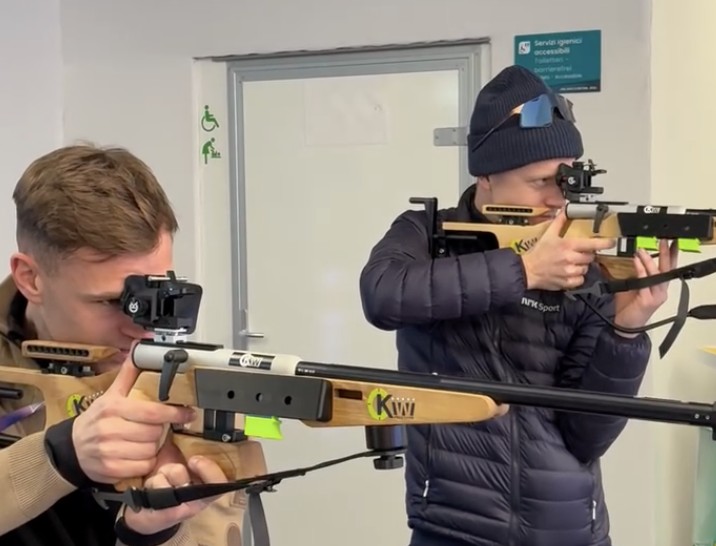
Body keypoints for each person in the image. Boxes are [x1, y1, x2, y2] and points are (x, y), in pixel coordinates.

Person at [359, 65, 677, 546]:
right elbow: (383, 295)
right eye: (539, 180)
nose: (556, 199)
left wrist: (627, 329)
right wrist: (525, 271)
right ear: (486, 175)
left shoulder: (580, 260)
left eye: (566, 180)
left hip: (570, 531)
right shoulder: (427, 233)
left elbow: (587, 436)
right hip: (454, 528)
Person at [0, 145, 264, 545]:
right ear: (30, 278)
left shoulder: (188, 390)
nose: (142, 329)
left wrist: (153, 531)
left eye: (156, 296)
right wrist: (61, 456)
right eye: (112, 302)